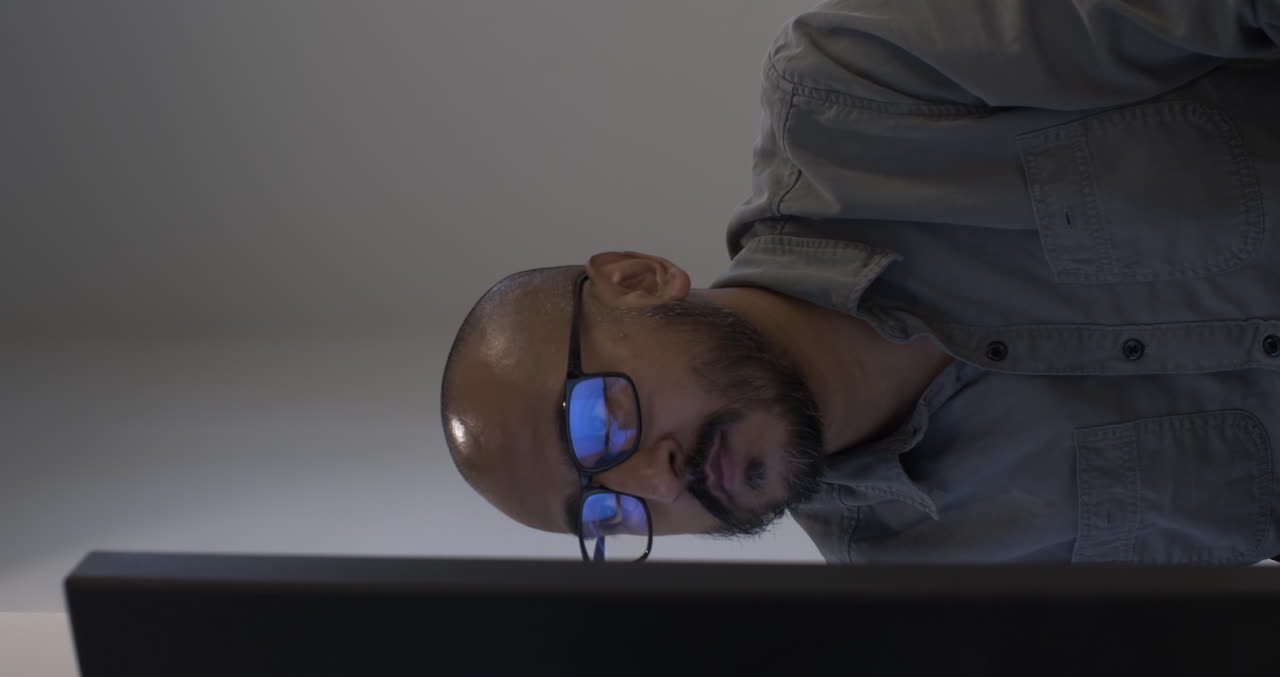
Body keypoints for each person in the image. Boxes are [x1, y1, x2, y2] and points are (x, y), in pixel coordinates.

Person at [440, 0, 1280, 564]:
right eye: (605, 514)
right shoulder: (923, 581)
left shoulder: (858, 92)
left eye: (596, 425)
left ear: (638, 278)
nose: (657, 484)